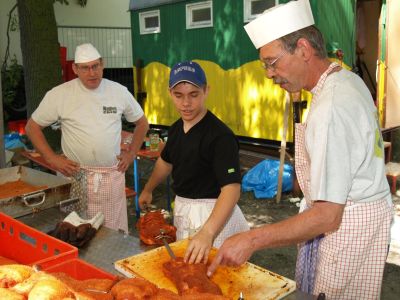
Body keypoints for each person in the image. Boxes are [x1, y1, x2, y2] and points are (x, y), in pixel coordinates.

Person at [207, 1, 393, 299]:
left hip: (347, 230)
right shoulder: (346, 78)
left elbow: (328, 216)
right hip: (363, 218)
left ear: (304, 50)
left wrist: (252, 239)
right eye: (265, 65)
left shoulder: (330, 108)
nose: (269, 74)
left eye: (272, 62)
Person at [25, 43, 149, 234]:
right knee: (75, 231)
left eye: (95, 66)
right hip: (75, 175)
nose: (92, 73)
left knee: (112, 234)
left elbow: (142, 123)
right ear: (75, 69)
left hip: (110, 176)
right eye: (85, 68)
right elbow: (32, 127)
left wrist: (132, 153)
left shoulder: (118, 92)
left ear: (102, 64)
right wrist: (52, 158)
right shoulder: (60, 94)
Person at [138, 61, 249, 264]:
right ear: (170, 93)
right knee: (188, 272)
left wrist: (207, 232)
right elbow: (165, 162)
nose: (186, 103)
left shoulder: (220, 136)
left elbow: (231, 189)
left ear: (206, 91)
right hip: (184, 210)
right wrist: (148, 188)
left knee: (216, 276)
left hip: (215, 216)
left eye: (194, 94)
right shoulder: (175, 129)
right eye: (178, 95)